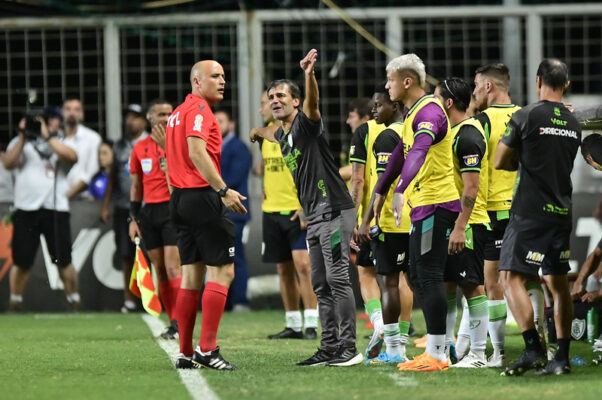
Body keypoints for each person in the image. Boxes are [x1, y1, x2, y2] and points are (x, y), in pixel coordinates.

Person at [250, 49, 362, 367]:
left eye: (282, 95)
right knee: (320, 283)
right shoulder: (283, 135)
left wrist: (309, 75)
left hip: (335, 211)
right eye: (271, 96)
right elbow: (270, 133)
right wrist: (257, 132)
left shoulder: (305, 124)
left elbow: (313, 105)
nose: (275, 99)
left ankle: (349, 348)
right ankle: (328, 346)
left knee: (338, 279)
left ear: (295, 102)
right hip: (312, 215)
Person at [372, 53, 461, 372]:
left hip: (437, 205)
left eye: (390, 79)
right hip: (423, 207)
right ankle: (440, 348)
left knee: (429, 276)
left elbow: (420, 150)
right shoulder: (413, 115)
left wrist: (398, 190)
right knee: (422, 277)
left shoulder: (431, 112)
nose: (386, 85)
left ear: (407, 82)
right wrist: (381, 191)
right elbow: (400, 154)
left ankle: (438, 353)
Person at [496, 59, 581, 376]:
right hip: (562, 211)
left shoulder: (526, 115)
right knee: (558, 285)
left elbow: (500, 161)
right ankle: (562, 358)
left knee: (510, 277)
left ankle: (532, 348)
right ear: (566, 85)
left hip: (530, 212)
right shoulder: (573, 122)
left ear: (538, 81)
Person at [167, 60, 246, 371]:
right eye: (215, 76)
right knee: (223, 272)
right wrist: (223, 190)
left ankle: (186, 352)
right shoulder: (199, 111)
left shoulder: (177, 113)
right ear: (197, 82)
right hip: (202, 196)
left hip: (180, 199)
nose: (222, 81)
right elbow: (196, 152)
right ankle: (207, 349)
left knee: (191, 276)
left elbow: (172, 160)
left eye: (224, 76)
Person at [472, 63, 531, 367]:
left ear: (489, 87)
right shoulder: (527, 115)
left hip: (493, 210)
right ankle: (538, 346)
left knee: (492, 281)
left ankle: (499, 353)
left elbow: (476, 170)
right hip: (525, 208)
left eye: (477, 85)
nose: (475, 91)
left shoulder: (481, 122)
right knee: (531, 279)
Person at [434, 78, 490, 368]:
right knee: (446, 286)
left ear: (448, 102)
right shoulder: (454, 133)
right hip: (452, 221)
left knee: (472, 287)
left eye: (435, 98)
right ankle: (445, 348)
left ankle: (478, 354)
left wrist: (459, 226)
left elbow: (471, 187)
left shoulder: (468, 135)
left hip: (468, 223)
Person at [253, 91, 318, 339]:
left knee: (304, 266)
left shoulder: (298, 130)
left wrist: (306, 204)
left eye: (267, 103)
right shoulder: (267, 135)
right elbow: (267, 169)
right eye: (265, 102)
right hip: (271, 211)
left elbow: (311, 168)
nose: (264, 108)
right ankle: (293, 324)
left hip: (297, 210)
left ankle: (311, 322)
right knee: (283, 268)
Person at [356, 85, 413, 364]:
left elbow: (381, 183)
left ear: (395, 106)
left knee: (388, 282)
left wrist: (367, 220)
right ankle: (403, 345)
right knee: (406, 281)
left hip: (391, 221)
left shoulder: (387, 136)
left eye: (379, 105)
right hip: (415, 218)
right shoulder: (414, 132)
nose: (374, 111)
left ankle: (393, 350)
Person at [2, 114, 81, 311]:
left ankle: (74, 300)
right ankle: (15, 302)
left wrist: (47, 137)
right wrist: (22, 136)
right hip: (26, 209)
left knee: (63, 260)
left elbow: (72, 157)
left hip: (55, 209)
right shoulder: (20, 143)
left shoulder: (59, 141)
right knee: (22, 260)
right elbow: (8, 163)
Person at [128, 99, 182, 339]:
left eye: (170, 113)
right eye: (161, 114)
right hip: (149, 212)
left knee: (173, 267)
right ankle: (173, 322)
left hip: (172, 209)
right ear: (149, 118)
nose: (166, 118)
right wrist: (133, 218)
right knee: (159, 270)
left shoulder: (179, 142)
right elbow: (136, 186)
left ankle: (181, 321)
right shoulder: (140, 148)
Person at [347, 95, 385, 354]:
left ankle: (380, 324)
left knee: (366, 272)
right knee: (399, 277)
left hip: (372, 216)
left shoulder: (365, 132)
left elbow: (358, 180)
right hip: (403, 213)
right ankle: (399, 338)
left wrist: (355, 217)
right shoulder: (406, 127)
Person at [101, 104, 149, 313]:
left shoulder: (152, 142)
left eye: (136, 117)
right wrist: (105, 205)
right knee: (126, 254)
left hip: (150, 206)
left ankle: (154, 298)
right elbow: (112, 178)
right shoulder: (119, 146)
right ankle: (129, 299)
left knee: (153, 255)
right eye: (128, 117)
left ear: (144, 121)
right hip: (124, 207)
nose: (131, 121)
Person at [216, 109, 252, 311]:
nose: (217, 124)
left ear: (231, 125)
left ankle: (240, 301)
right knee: (219, 258)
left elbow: (234, 180)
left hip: (235, 212)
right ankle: (225, 302)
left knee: (236, 257)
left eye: (221, 120)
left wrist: (214, 188)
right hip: (217, 212)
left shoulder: (239, 148)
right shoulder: (212, 147)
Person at [60, 97, 102, 199]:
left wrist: (67, 195)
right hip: (57, 199)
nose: (72, 113)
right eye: (68, 109)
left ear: (81, 114)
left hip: (82, 198)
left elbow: (92, 171)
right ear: (62, 112)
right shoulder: (56, 139)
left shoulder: (93, 138)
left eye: (76, 109)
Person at [340, 98, 372, 181]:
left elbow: (354, 171)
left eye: (352, 116)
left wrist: (324, 177)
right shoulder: (359, 138)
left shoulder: (372, 139)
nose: (348, 121)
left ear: (365, 119)